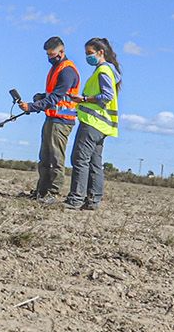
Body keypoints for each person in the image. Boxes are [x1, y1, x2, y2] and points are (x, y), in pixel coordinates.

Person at [21, 37, 82, 201]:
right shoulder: (56, 68)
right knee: (44, 158)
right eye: (48, 55)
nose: (50, 58)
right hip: (51, 119)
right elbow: (52, 95)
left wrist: (32, 107)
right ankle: (41, 191)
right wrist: (40, 97)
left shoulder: (67, 71)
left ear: (62, 51)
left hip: (62, 122)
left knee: (55, 159)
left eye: (53, 54)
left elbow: (56, 98)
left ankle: (53, 194)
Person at [65, 38, 122, 210]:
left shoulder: (103, 70)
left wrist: (82, 99)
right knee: (94, 163)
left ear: (100, 52)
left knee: (80, 159)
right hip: (103, 126)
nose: (87, 57)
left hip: (93, 123)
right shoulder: (109, 71)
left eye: (89, 53)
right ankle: (92, 201)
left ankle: (75, 199)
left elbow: (107, 96)